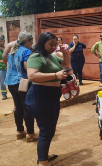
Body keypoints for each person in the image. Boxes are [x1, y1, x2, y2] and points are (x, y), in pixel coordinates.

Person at [25, 32, 70, 165]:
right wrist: (56, 75)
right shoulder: (36, 56)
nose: (53, 47)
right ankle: (42, 162)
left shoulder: (51, 56)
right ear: (42, 43)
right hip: (40, 96)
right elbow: (32, 76)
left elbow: (66, 64)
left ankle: (44, 155)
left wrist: (65, 52)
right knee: (46, 130)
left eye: (55, 45)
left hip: (52, 96)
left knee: (50, 129)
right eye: (51, 44)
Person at [4, 32, 38, 142]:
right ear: (27, 41)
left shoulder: (13, 51)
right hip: (22, 83)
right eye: (31, 40)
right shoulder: (26, 51)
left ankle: (20, 131)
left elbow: (5, 58)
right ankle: (31, 133)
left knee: (18, 107)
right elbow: (27, 67)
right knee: (27, 107)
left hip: (10, 82)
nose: (32, 43)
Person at [0, 35, 7, 100]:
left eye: (3, 41)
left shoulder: (6, 48)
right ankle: (4, 94)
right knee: (2, 82)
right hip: (1, 68)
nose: (2, 42)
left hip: (6, 68)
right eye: (1, 41)